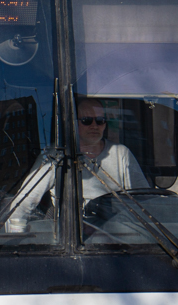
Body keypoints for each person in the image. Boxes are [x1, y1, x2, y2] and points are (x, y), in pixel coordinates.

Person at [9, 98, 147, 228]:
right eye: (87, 120)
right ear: (73, 123)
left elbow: (142, 200)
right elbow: (26, 200)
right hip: (71, 234)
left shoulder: (121, 153)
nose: (95, 126)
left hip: (116, 233)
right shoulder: (55, 155)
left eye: (100, 120)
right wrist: (16, 234)